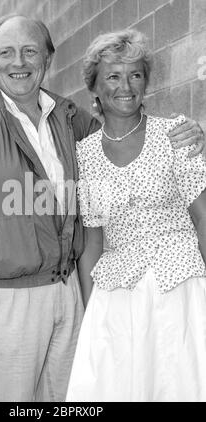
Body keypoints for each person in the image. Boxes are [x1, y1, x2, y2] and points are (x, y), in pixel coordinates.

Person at [0, 16, 205, 402]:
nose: (19, 62)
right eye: (7, 53)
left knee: (76, 402)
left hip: (69, 296)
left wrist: (192, 133)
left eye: (30, 51)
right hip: (6, 302)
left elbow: (123, 132)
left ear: (47, 59)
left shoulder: (72, 121)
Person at [66, 29, 206, 402]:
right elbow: (92, 241)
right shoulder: (85, 155)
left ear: (146, 82)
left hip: (180, 288)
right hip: (117, 294)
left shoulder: (175, 135)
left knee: (180, 384)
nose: (125, 86)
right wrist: (89, 311)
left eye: (135, 74)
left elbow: (204, 219)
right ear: (94, 87)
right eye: (113, 75)